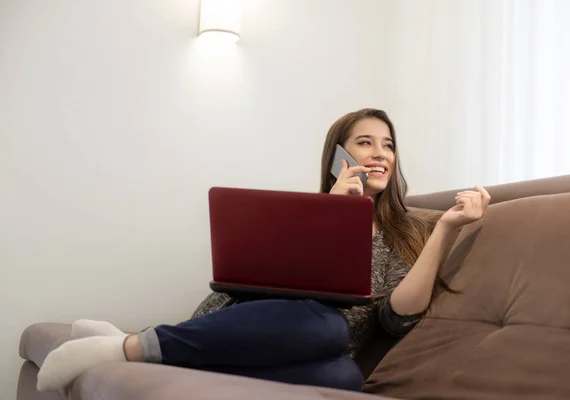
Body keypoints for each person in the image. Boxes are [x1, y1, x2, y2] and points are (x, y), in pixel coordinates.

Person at [37, 108, 490, 393]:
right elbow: (266, 286)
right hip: (263, 322)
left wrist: (447, 228)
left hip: (323, 354)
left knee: (346, 377)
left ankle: (128, 343)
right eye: (365, 142)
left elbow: (396, 318)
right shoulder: (307, 212)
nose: (380, 153)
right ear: (339, 156)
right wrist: (331, 211)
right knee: (327, 322)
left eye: (388, 145)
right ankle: (131, 346)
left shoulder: (410, 229)